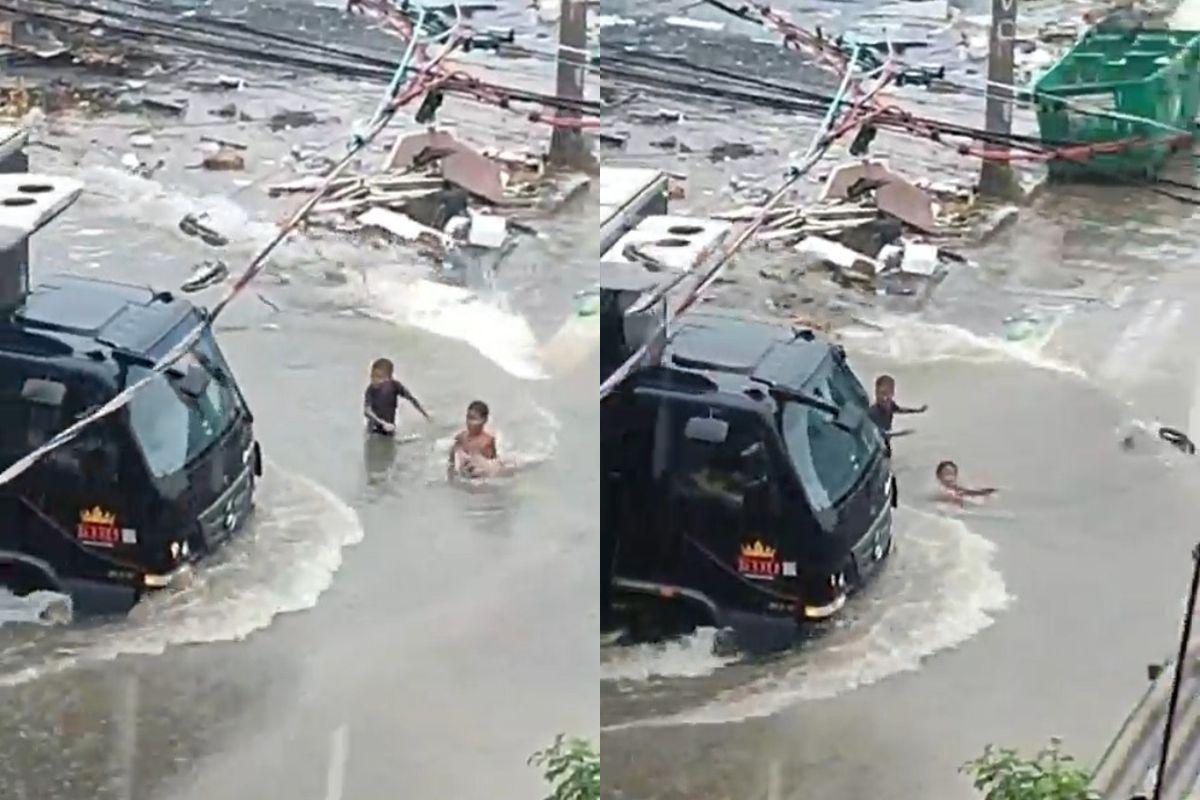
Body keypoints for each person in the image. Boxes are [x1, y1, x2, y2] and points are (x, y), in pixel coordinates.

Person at [363, 357, 431, 436]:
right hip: (373, 430)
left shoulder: (395, 386)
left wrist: (425, 414)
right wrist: (383, 423)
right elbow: (367, 411)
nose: (374, 379)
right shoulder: (370, 390)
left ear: (389, 378)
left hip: (390, 429)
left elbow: (411, 399)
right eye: (372, 375)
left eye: (379, 377)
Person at [448, 400, 499, 479]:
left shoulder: (488, 441)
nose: (469, 422)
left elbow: (492, 465)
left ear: (484, 420)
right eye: (468, 418)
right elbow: (451, 461)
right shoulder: (461, 437)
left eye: (473, 419)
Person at [868, 374, 928, 440]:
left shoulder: (891, 405)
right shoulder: (873, 413)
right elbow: (879, 434)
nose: (883, 398)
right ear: (875, 393)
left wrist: (918, 410)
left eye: (886, 394)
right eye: (880, 393)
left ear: (892, 393)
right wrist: (901, 433)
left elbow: (901, 410)